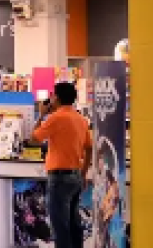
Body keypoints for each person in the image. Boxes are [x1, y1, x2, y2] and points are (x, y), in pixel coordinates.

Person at [30, 82, 93, 248]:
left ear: (56, 98)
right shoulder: (81, 119)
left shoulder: (56, 118)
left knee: (60, 227)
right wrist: (83, 174)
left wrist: (41, 115)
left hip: (59, 178)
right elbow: (89, 148)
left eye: (52, 95)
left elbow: (34, 139)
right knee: (74, 225)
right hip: (76, 176)